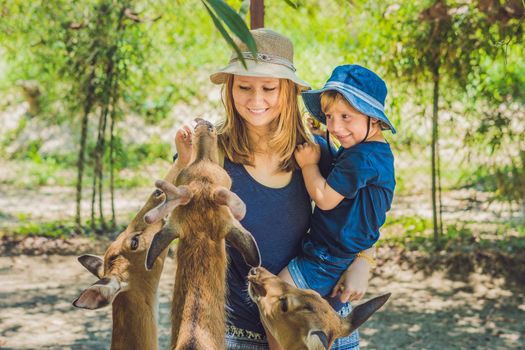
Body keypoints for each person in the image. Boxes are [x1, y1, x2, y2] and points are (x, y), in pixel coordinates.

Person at [173, 29, 370, 350]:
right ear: (230, 88)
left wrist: (363, 261)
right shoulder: (210, 152)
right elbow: (181, 227)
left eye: (269, 88)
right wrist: (184, 165)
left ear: (289, 90)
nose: (256, 100)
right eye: (245, 87)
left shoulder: (314, 151)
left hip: (317, 324)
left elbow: (359, 215)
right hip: (238, 329)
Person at [277, 64, 396, 336]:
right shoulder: (373, 152)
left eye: (346, 117)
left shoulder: (360, 158)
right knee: (314, 322)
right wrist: (323, 139)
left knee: (279, 302)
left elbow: (325, 198)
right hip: (342, 253)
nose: (335, 126)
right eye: (330, 116)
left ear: (374, 119)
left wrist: (308, 164)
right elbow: (344, 174)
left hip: (326, 256)